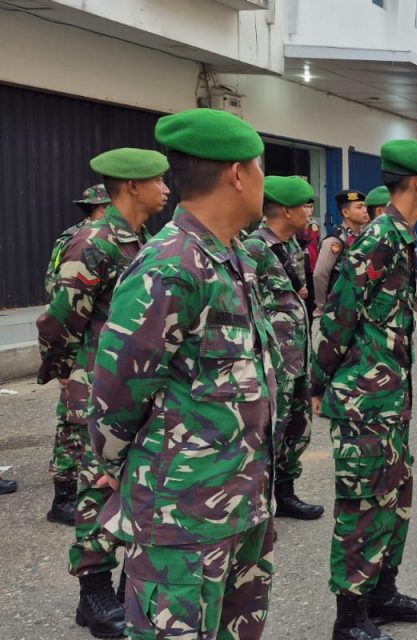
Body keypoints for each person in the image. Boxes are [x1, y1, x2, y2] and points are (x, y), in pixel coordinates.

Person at [89, 108, 274, 639]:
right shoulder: (171, 265)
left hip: (239, 506)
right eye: (260, 169)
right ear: (238, 174)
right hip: (180, 521)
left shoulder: (230, 257)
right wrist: (120, 467)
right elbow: (116, 395)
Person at [312, 139, 417, 639]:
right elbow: (339, 317)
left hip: (388, 398)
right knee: (363, 504)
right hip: (365, 399)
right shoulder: (378, 239)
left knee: (394, 495)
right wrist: (318, 383)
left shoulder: (401, 234)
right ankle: (349, 620)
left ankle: (381, 594)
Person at [39, 148, 169, 638]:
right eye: (158, 181)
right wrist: (73, 373)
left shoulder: (148, 241)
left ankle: (123, 589)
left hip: (139, 388)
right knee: (96, 487)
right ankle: (92, 595)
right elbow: (59, 321)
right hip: (96, 386)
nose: (166, 189)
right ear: (131, 187)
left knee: (134, 484)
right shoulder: (93, 242)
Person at [243, 176, 325, 522]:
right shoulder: (254, 249)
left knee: (296, 428)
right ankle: (258, 506)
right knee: (268, 434)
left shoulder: (291, 245)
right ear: (286, 209)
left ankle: (286, 493)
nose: (310, 212)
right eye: (305, 205)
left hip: (297, 357)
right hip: (272, 361)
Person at [42, 184, 112, 528]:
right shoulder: (79, 240)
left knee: (82, 420)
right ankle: (64, 496)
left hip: (96, 347)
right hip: (79, 342)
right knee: (72, 421)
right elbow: (59, 291)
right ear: (100, 206)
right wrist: (62, 361)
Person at [44, 184, 111, 300]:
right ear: (91, 209)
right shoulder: (73, 237)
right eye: (105, 207)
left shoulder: (126, 235)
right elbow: (52, 278)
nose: (111, 213)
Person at [313, 189, 368, 310]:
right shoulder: (336, 240)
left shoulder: (365, 235)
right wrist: (322, 305)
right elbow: (320, 274)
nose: (365, 210)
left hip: (360, 304)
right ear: (346, 212)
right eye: (359, 207)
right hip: (340, 305)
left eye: (365, 206)